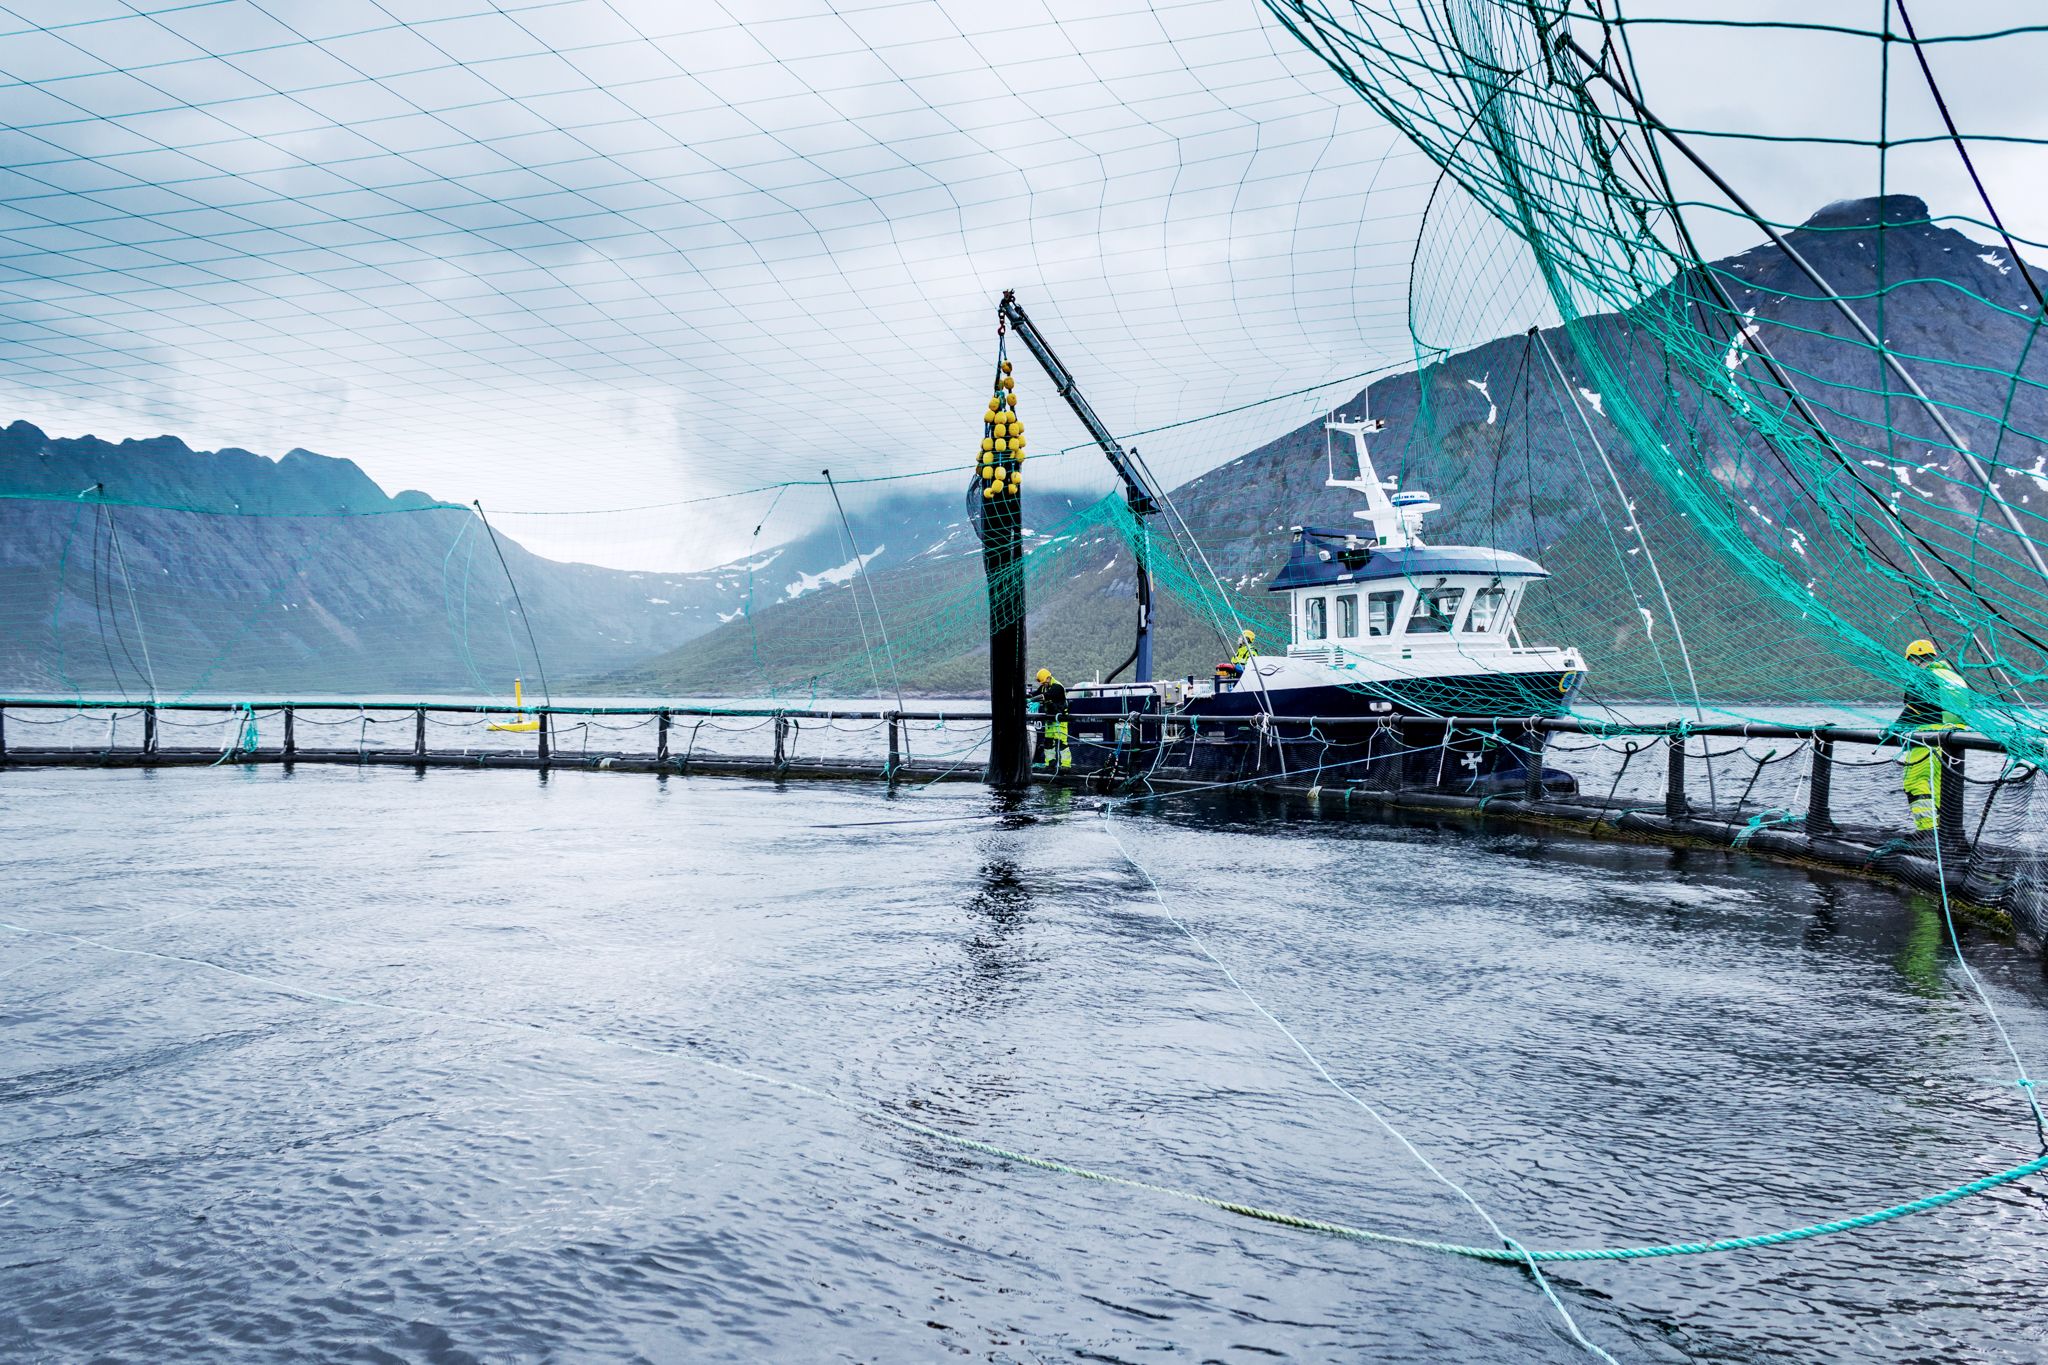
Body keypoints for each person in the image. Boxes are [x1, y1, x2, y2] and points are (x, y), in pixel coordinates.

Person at [1892, 638, 1968, 835]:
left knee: (1915, 781)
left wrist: (1893, 728)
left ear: (1914, 659)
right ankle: (1946, 831)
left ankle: (1926, 831)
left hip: (1929, 737)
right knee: (1941, 785)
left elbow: (1915, 708)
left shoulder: (1924, 676)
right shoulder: (1952, 676)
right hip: (1954, 740)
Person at [1027, 667, 1071, 773]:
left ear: (1048, 678)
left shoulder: (1057, 687)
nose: (1043, 684)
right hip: (1050, 719)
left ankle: (1066, 765)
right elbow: (1036, 693)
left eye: (1044, 682)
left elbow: (1046, 696)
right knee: (1048, 742)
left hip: (1060, 719)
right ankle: (1050, 763)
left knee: (1062, 742)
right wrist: (1027, 696)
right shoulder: (1043, 687)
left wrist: (1032, 700)